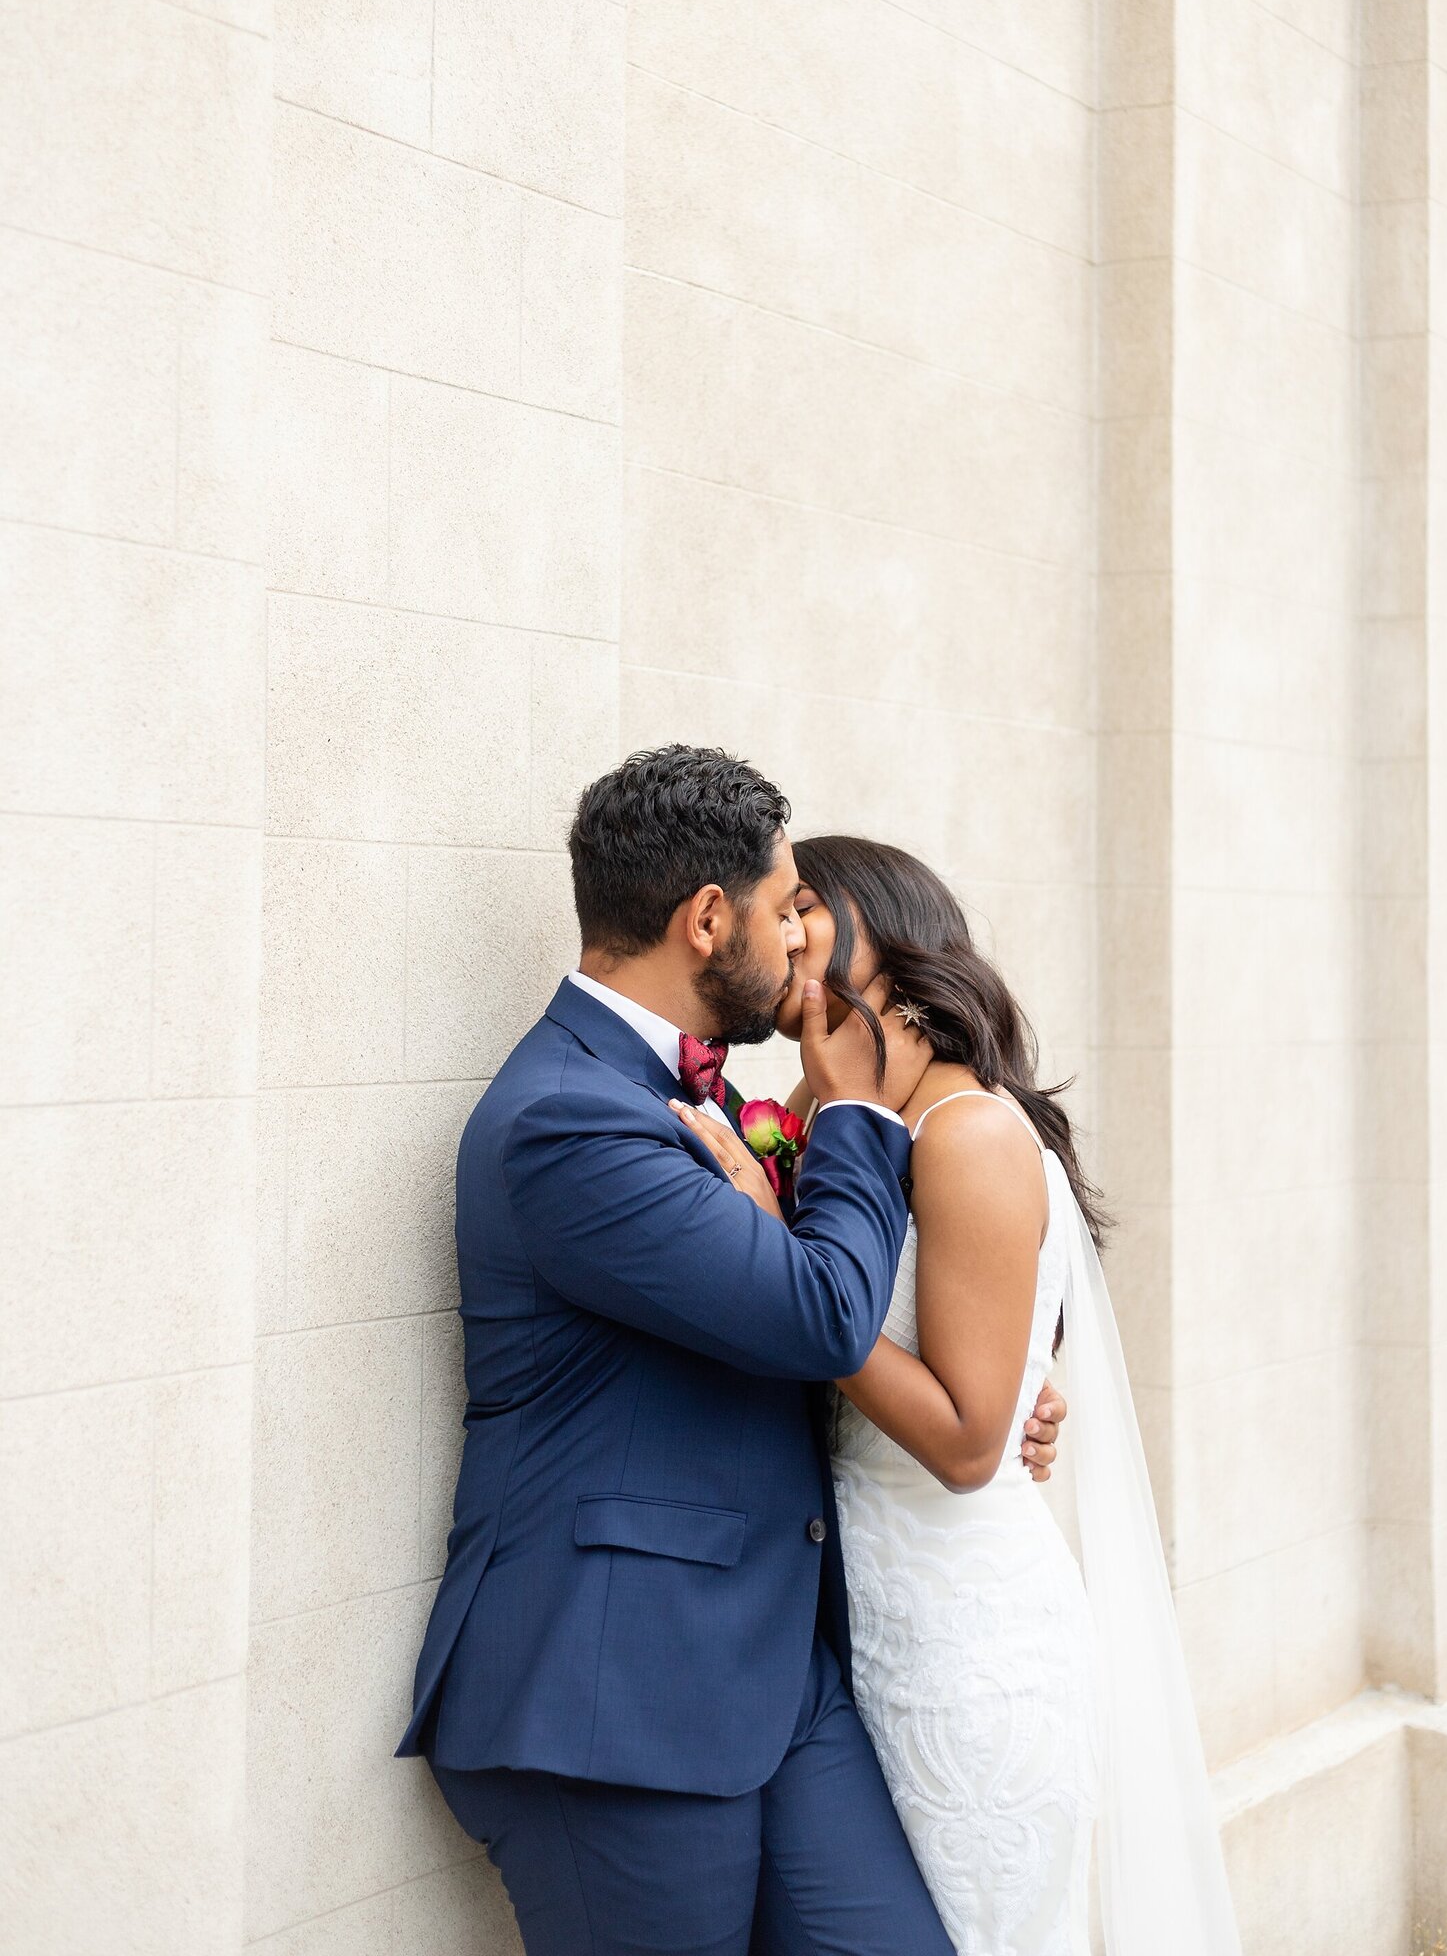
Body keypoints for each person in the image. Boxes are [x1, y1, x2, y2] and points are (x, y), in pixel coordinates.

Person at [396, 747, 1065, 1954]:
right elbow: (814, 1314)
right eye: (780, 907)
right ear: (708, 919)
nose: (796, 947)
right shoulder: (569, 1118)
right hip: (614, 1694)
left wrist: (1006, 1377)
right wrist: (855, 1108)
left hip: (775, 1670)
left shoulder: (689, 1100)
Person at [677, 835, 1246, 1956]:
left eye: (804, 909)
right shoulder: (820, 1101)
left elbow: (970, 1442)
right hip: (852, 1621)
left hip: (960, 1651)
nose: (783, 933)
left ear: (881, 934)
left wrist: (779, 1261)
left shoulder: (969, 1131)